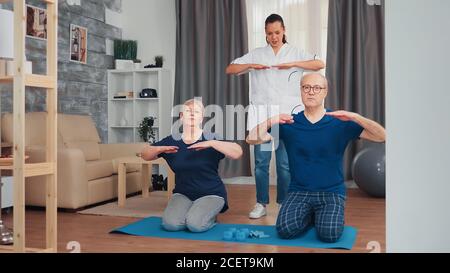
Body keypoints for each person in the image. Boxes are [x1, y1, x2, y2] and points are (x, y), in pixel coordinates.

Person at [246, 73, 386, 242]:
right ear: (301, 91)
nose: (311, 92)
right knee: (285, 230)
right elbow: (251, 138)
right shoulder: (289, 123)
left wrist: (355, 117)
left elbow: (381, 136)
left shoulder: (339, 121)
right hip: (299, 191)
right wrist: (271, 120)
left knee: (329, 235)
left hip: (332, 192)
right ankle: (311, 214)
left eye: (317, 88)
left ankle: (322, 215)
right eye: (306, 87)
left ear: (325, 92)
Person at [226, 14, 325, 219]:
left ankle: (283, 204)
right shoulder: (257, 54)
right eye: (270, 33)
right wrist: (251, 66)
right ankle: (261, 203)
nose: (274, 37)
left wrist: (293, 64)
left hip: (287, 117)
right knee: (261, 163)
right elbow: (231, 68)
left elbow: (319, 64)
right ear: (265, 33)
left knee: (284, 164)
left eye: (277, 32)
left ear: (284, 30)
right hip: (262, 117)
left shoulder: (295, 52)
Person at [141, 99, 243, 233]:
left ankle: (207, 216)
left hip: (212, 193)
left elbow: (237, 152)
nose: (192, 114)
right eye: (188, 111)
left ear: (201, 118)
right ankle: (194, 211)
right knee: (170, 225)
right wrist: (159, 149)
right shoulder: (172, 140)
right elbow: (145, 154)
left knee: (195, 225)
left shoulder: (211, 138)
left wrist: (212, 143)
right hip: (183, 193)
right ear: (182, 117)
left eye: (196, 111)